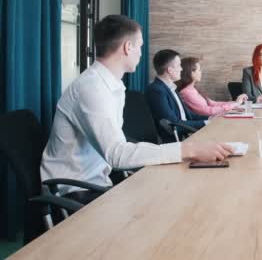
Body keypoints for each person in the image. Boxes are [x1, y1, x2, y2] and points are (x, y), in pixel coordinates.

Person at [41, 15, 233, 203]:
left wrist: (183, 150)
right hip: (78, 189)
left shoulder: (111, 85)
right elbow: (117, 154)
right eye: (140, 46)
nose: (141, 53)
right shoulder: (92, 89)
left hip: (99, 181)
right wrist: (188, 150)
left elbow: (119, 147)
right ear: (128, 47)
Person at [146, 50, 209, 143]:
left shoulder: (172, 88)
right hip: (174, 141)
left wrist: (211, 118)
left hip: (185, 135)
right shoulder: (156, 91)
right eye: (179, 65)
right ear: (170, 70)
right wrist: (205, 123)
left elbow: (189, 115)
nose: (181, 69)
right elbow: (173, 124)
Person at [177, 57, 248, 116]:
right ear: (190, 73)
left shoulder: (193, 89)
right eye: (199, 70)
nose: (201, 72)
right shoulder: (186, 92)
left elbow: (213, 103)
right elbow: (209, 111)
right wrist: (235, 104)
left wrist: (234, 103)